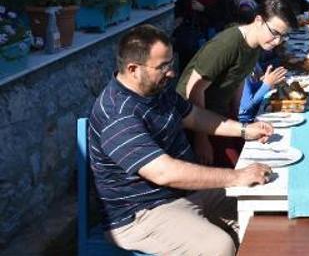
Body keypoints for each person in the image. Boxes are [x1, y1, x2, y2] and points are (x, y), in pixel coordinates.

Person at [88, 24, 274, 256]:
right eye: (163, 66)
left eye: (171, 62)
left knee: (262, 211)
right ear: (133, 69)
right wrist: (237, 176)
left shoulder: (156, 89)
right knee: (218, 247)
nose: (172, 72)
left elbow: (194, 116)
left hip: (182, 193)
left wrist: (245, 130)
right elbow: (164, 173)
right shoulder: (117, 113)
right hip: (142, 213)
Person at [177, 0, 297, 168]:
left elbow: (237, 83)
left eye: (283, 36)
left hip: (220, 116)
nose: (277, 41)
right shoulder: (227, 44)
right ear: (258, 20)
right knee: (237, 168)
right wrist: (201, 139)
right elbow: (194, 89)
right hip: (194, 122)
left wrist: (245, 124)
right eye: (275, 33)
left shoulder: (256, 45)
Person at [174, 0, 232, 73]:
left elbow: (225, 14)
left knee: (206, 68)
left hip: (211, 33)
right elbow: (179, 5)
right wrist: (179, 17)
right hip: (190, 33)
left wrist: (204, 9)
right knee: (187, 67)